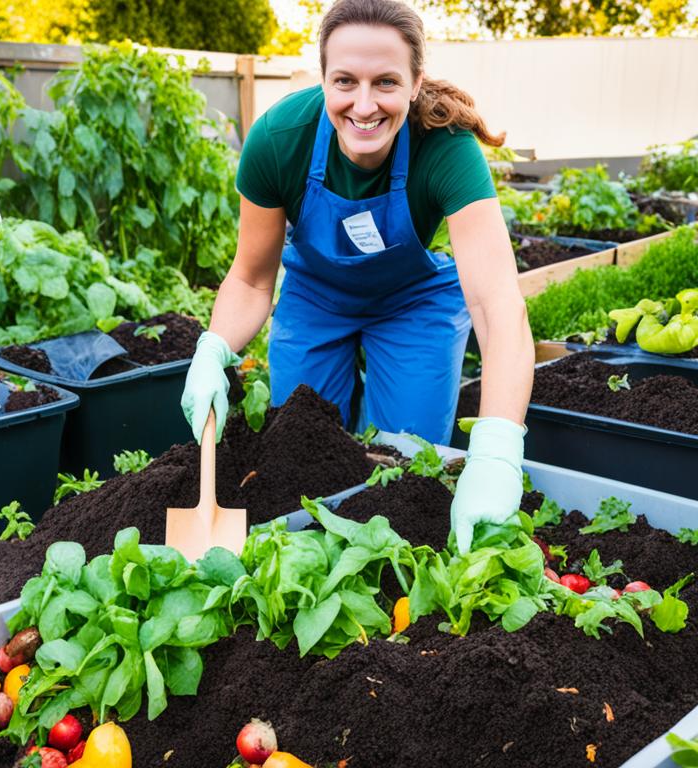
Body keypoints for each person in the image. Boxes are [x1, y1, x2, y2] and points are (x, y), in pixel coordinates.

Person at [180, 0, 534, 553]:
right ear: (323, 79)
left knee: (406, 463)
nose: (363, 105)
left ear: (416, 83)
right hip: (317, 296)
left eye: (386, 82)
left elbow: (497, 304)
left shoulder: (446, 148)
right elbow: (251, 280)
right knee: (299, 452)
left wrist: (498, 447)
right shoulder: (279, 140)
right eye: (345, 81)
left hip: (413, 302)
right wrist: (213, 347)